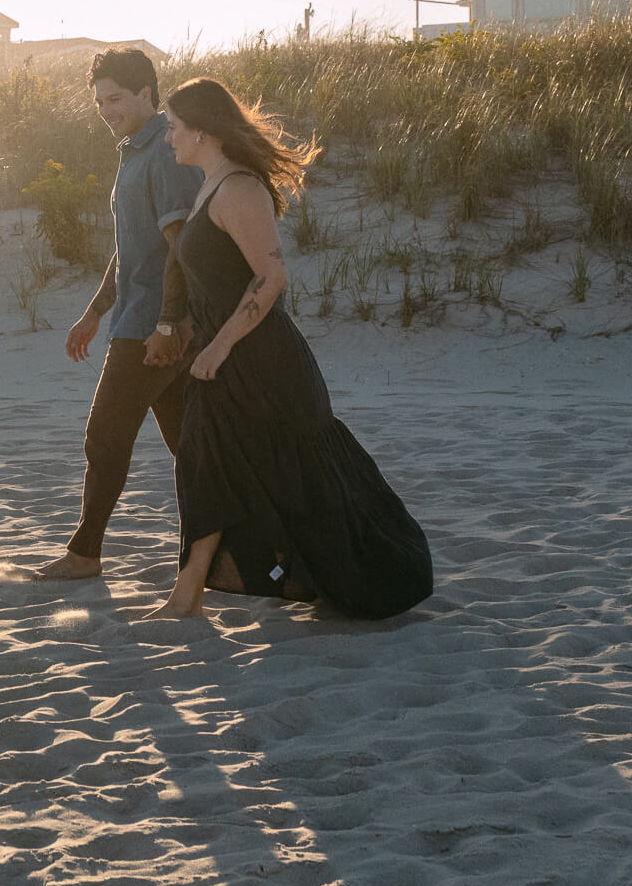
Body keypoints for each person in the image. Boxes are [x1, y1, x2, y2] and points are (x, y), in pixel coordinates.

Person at [134, 76, 432, 620]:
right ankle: (186, 596)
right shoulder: (209, 184)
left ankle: (385, 577)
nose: (168, 137)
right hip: (225, 359)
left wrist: (218, 346)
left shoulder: (239, 189)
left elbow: (270, 279)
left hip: (259, 361)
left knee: (304, 484)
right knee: (205, 465)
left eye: (174, 128)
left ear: (201, 131)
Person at [32, 48, 204, 582]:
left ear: (147, 95)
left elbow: (181, 249)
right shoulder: (135, 151)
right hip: (140, 318)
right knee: (188, 449)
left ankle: (84, 554)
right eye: (99, 101)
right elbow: (132, 248)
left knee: (105, 434)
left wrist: (169, 326)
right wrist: (92, 312)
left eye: (116, 99)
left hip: (154, 327)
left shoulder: (164, 154)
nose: (106, 110)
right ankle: (219, 553)